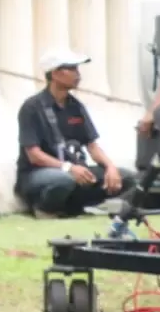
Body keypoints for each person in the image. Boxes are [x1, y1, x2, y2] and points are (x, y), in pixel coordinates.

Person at [17, 49, 135, 217]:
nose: (78, 74)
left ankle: (82, 207)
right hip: (38, 174)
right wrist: (68, 168)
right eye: (71, 69)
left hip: (76, 170)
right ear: (55, 73)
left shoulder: (76, 106)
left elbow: (92, 146)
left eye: (77, 69)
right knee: (64, 180)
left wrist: (110, 167)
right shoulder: (32, 107)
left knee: (127, 177)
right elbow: (34, 155)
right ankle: (45, 209)